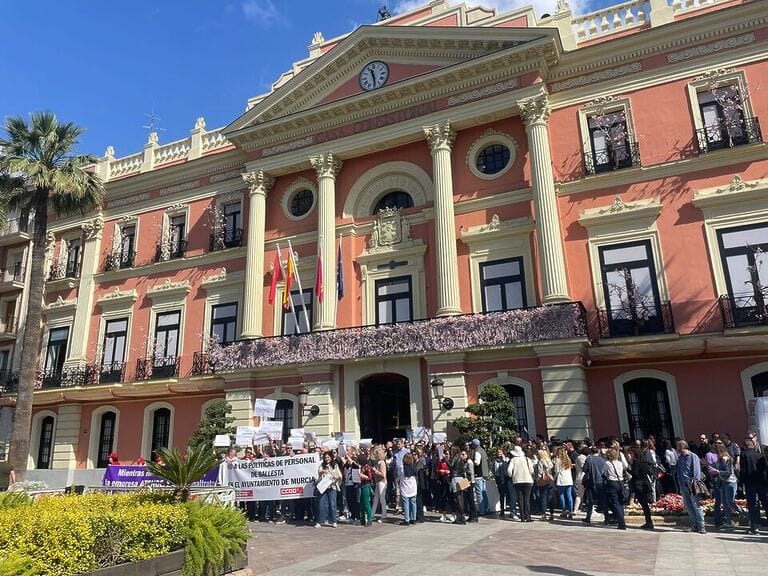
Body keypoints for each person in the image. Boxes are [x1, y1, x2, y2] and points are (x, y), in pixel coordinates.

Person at [676, 440, 706, 534]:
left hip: (692, 485)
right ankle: (694, 525)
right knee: (689, 506)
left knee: (696, 505)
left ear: (683, 446)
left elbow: (697, 472)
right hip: (683, 485)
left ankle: (701, 525)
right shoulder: (680, 458)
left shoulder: (693, 456)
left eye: (678, 446)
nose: (677, 448)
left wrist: (694, 484)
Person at [740, 433, 768, 535]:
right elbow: (764, 471)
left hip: (750, 483)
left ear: (745, 445)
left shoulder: (744, 454)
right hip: (762, 483)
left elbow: (743, 470)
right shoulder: (760, 455)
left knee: (753, 505)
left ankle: (755, 526)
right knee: (766, 503)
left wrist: (741, 483)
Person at [601, 448, 627, 530]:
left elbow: (603, 472)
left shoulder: (608, 463)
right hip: (621, 482)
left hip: (612, 482)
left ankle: (621, 523)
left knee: (615, 503)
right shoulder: (620, 463)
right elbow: (625, 468)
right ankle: (622, 520)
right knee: (620, 502)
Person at [714, 441, 738, 531]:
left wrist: (717, 472)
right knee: (725, 503)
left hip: (730, 482)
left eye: (716, 451)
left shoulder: (726, 458)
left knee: (730, 502)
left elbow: (728, 472)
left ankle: (745, 515)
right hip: (724, 482)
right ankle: (728, 522)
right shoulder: (720, 459)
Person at [507, 445, 534, 522]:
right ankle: (528, 516)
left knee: (520, 499)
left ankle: (522, 517)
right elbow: (531, 470)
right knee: (527, 499)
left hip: (517, 481)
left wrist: (512, 475)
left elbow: (509, 470)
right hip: (527, 480)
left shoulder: (513, 460)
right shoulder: (527, 459)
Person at [582, 445, 608, 526]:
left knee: (590, 501)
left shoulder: (589, 459)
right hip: (601, 482)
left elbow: (584, 469)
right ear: (598, 451)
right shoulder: (603, 460)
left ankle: (588, 518)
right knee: (603, 500)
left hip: (591, 483)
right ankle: (607, 518)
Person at [630, 446, 654, 530]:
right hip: (645, 483)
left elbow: (635, 473)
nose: (630, 455)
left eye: (631, 453)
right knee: (645, 505)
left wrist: (628, 470)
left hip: (639, 484)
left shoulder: (636, 463)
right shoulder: (644, 462)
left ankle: (649, 522)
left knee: (644, 504)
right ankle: (649, 521)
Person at [316, 451, 342, 528]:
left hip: (332, 486)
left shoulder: (335, 465)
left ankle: (334, 521)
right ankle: (320, 521)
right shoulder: (322, 465)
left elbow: (339, 476)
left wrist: (335, 477)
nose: (327, 459)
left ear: (331, 458)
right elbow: (319, 472)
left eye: (328, 457)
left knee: (332, 504)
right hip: (323, 487)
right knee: (321, 504)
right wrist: (324, 470)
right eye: (325, 457)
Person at [470, 439, 491, 516]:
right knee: (484, 492)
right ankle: (487, 509)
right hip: (484, 474)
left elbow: (477, 462)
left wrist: (471, 462)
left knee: (479, 493)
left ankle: (482, 511)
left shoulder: (477, 451)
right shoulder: (483, 450)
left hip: (478, 474)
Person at [534, 448, 555, 521]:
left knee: (543, 497)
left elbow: (540, 472)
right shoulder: (549, 460)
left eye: (537, 454)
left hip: (544, 480)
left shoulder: (541, 461)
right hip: (550, 479)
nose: (536, 455)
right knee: (550, 497)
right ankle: (552, 513)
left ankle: (543, 514)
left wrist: (538, 481)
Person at [554, 445, 574, 519]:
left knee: (561, 495)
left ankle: (564, 510)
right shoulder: (568, 459)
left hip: (561, 479)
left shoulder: (558, 460)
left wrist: (554, 478)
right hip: (568, 479)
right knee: (569, 495)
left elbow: (557, 471)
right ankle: (571, 510)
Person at [449, 446, 467, 524]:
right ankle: (459, 516)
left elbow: (451, 466)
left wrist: (446, 460)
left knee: (457, 497)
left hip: (455, 478)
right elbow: (463, 469)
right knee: (460, 497)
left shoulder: (455, 458)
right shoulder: (460, 459)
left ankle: (462, 515)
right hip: (461, 478)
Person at [399, 453, 418, 525]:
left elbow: (399, 474)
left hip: (405, 486)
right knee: (413, 503)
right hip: (413, 486)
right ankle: (413, 518)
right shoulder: (413, 466)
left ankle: (407, 519)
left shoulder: (401, 467)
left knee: (406, 503)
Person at [371, 446, 388, 522]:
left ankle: (384, 515)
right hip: (378, 481)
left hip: (382, 482)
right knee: (375, 499)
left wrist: (375, 471)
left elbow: (383, 475)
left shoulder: (382, 462)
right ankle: (372, 514)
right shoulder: (378, 462)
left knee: (382, 498)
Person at [492, 446, 510, 518]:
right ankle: (502, 509)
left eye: (500, 452)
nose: (499, 453)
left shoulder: (506, 459)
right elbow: (493, 469)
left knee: (508, 493)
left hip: (506, 478)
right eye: (498, 452)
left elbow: (507, 468)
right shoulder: (495, 460)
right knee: (501, 494)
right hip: (498, 478)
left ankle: (509, 507)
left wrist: (504, 460)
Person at [461, 448, 479, 523]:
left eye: (463, 454)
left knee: (471, 499)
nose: (462, 456)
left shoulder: (469, 462)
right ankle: (471, 515)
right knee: (467, 499)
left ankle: (474, 515)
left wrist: (465, 473)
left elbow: (471, 472)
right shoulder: (463, 462)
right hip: (465, 481)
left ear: (467, 455)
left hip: (470, 482)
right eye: (461, 454)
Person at [358, 453, 375, 527]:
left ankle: (369, 519)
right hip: (360, 485)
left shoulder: (367, 467)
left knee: (366, 503)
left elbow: (370, 478)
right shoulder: (360, 467)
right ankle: (362, 519)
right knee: (361, 503)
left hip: (366, 485)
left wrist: (363, 476)